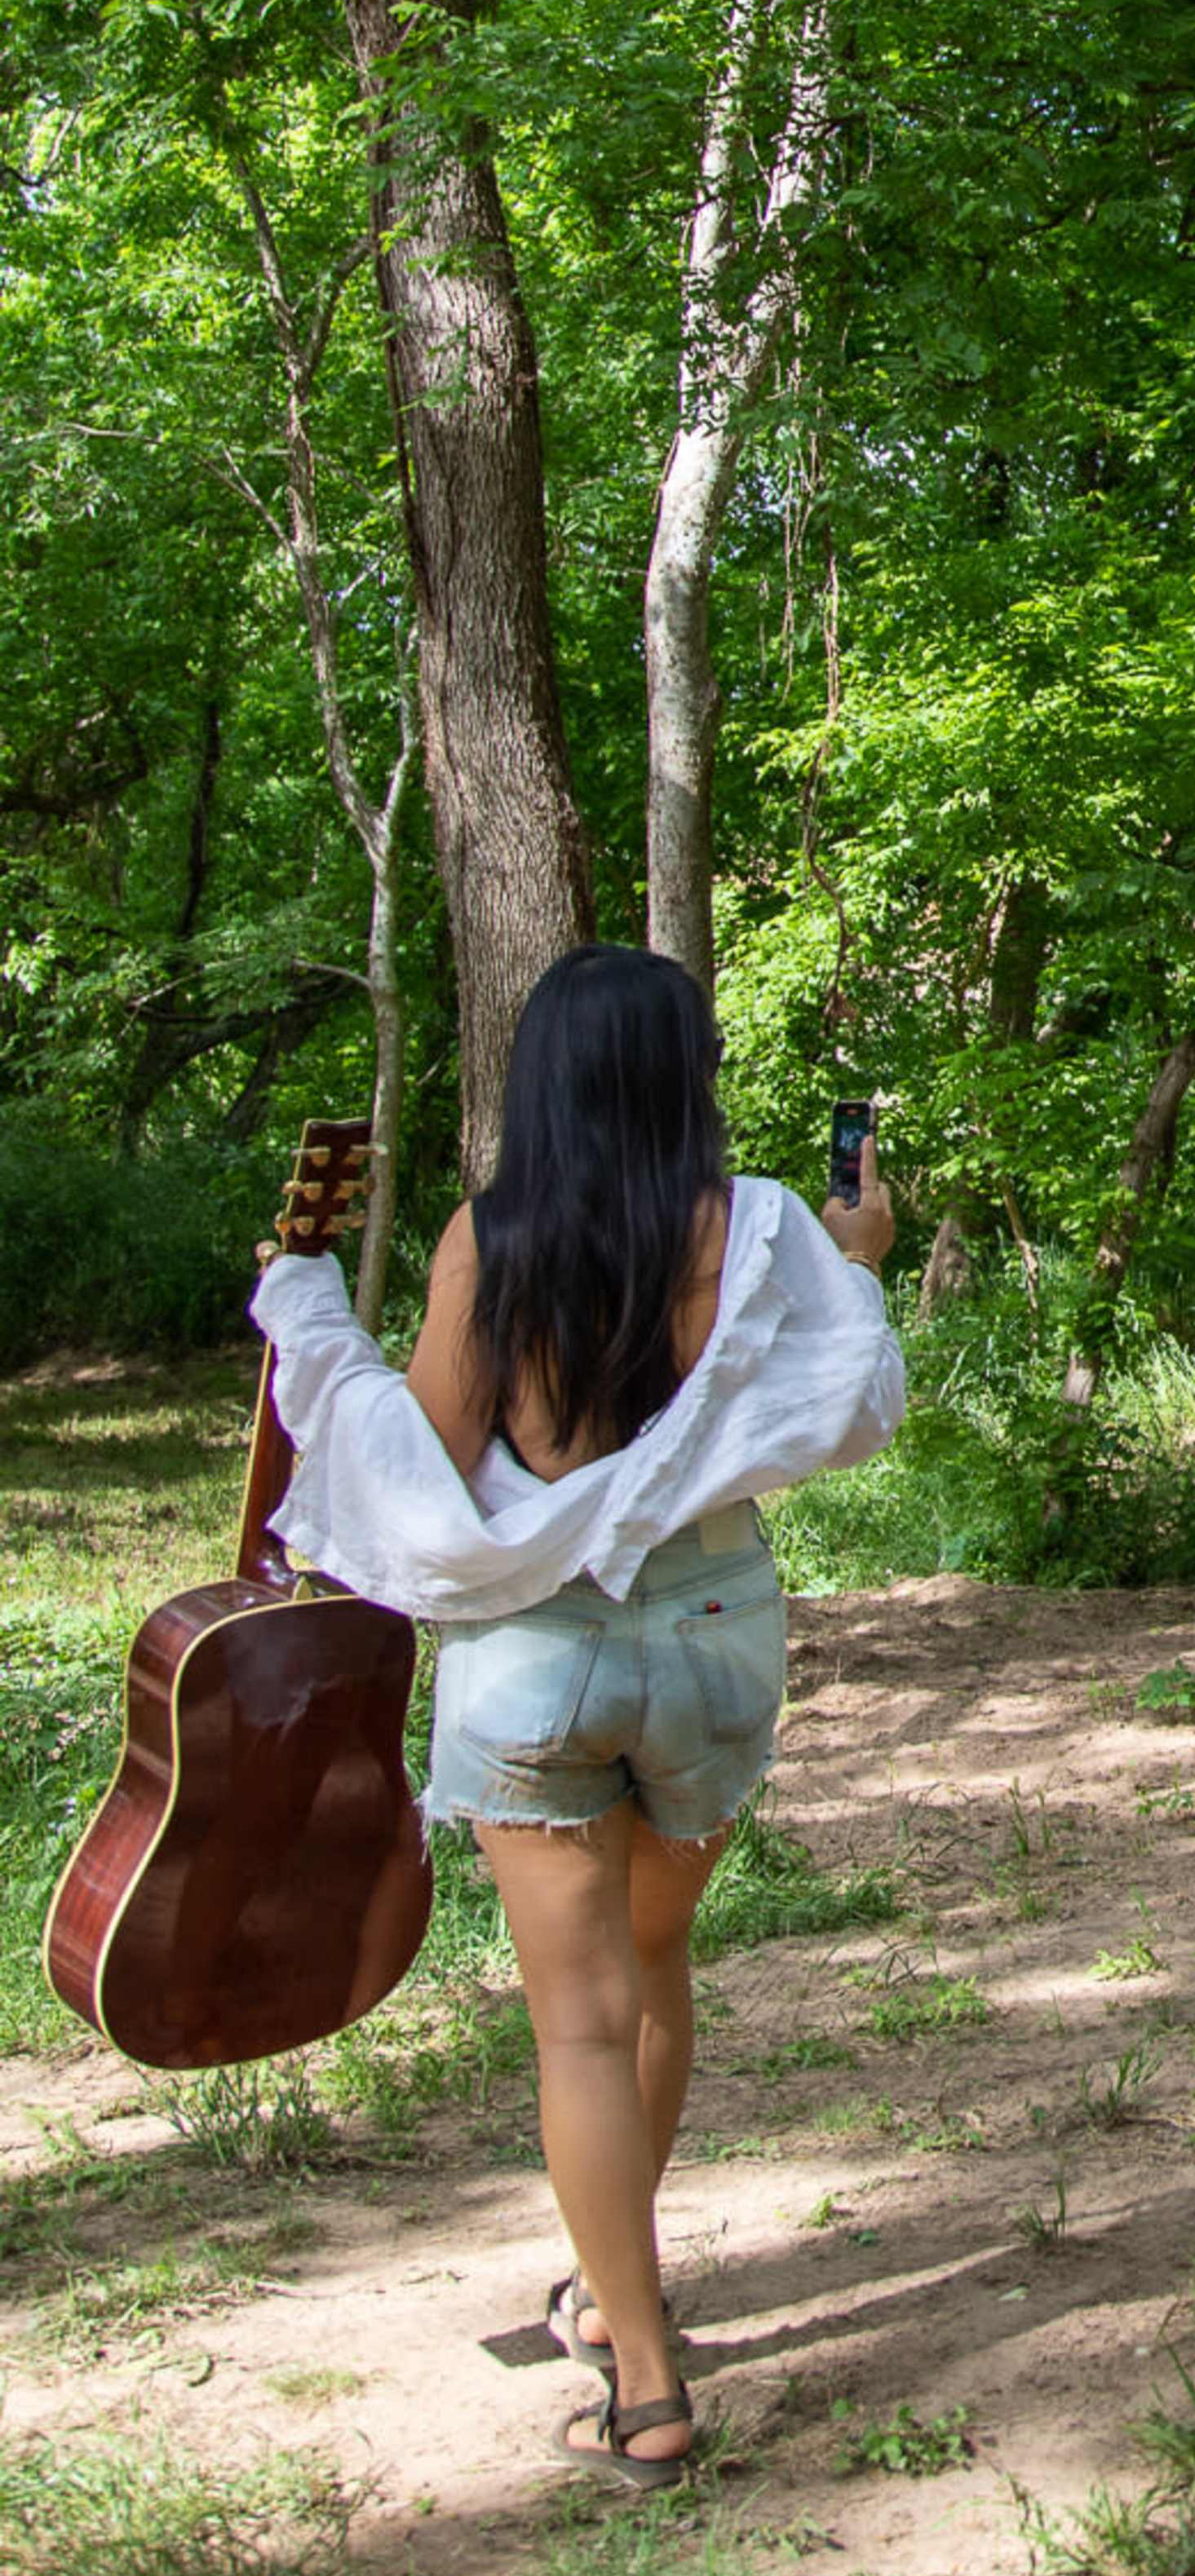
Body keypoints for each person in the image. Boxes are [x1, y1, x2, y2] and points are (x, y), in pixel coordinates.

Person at [251, 950, 904, 2487]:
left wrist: (313, 1328)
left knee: (578, 2019)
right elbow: (849, 1397)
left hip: (536, 1662)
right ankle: (612, 2315)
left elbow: (421, 1465)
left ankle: (648, 2370)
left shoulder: (499, 1237)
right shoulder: (764, 1230)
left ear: (542, 1073)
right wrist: (859, 1250)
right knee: (658, 1960)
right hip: (712, 1637)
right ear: (690, 1073)